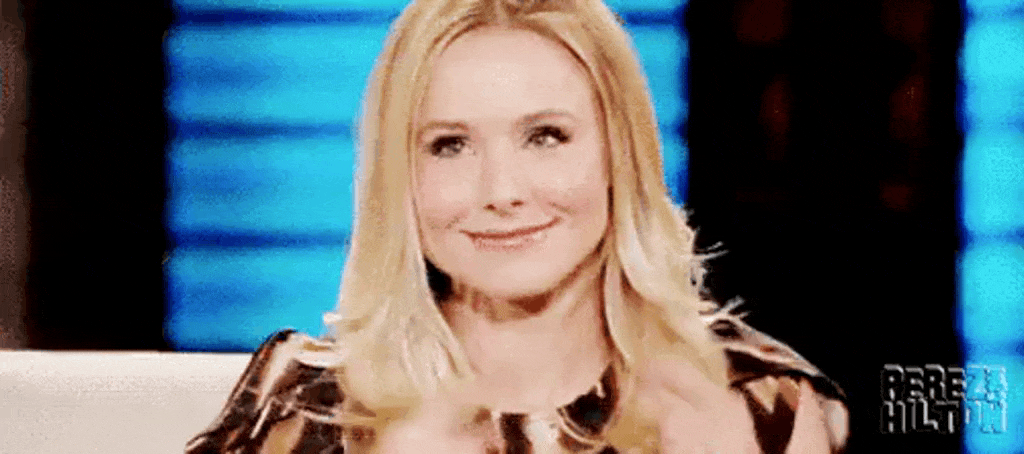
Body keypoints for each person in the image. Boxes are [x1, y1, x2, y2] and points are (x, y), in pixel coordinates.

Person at [185, 0, 849, 452]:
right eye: (450, 145)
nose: (501, 192)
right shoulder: (309, 406)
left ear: (619, 153)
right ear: (400, 177)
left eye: (546, 136)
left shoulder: (756, 406)